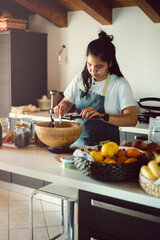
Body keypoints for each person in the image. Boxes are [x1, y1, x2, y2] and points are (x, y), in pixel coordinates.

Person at [54, 30, 137, 146]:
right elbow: (67, 101)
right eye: (89, 64)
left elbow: (132, 119)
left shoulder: (119, 84)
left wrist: (102, 116)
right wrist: (63, 106)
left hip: (106, 149)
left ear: (110, 63)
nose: (93, 70)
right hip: (78, 144)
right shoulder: (81, 78)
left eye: (98, 66)